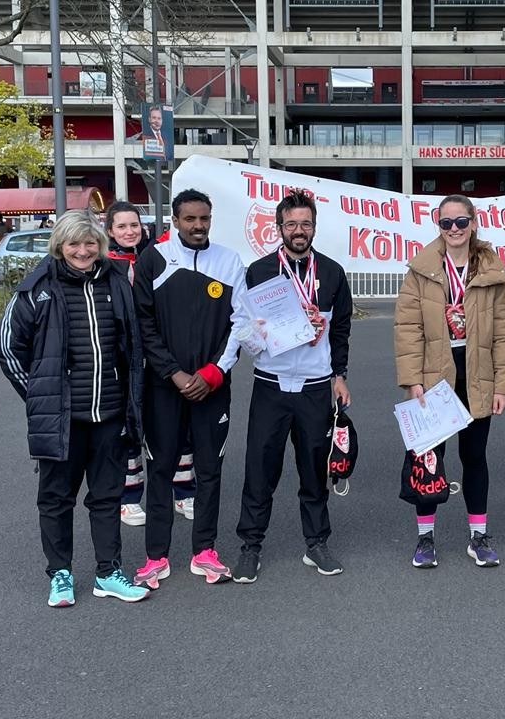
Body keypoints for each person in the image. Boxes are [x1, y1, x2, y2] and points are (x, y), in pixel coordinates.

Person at [0, 210, 149, 606]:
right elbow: (7, 347)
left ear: (100, 244)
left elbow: (132, 346)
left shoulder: (117, 281)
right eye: (74, 243)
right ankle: (60, 574)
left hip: (110, 415)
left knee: (108, 497)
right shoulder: (37, 288)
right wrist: (39, 395)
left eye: (90, 242)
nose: (82, 251)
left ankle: (108, 573)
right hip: (63, 420)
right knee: (56, 499)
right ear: (59, 246)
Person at [232, 190, 352, 581]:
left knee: (314, 470)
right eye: (291, 224)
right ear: (279, 227)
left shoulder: (332, 273)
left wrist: (339, 375)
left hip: (315, 387)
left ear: (313, 227)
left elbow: (341, 330)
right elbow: (243, 328)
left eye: (305, 224)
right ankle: (250, 547)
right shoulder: (260, 271)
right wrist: (260, 333)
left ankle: (316, 544)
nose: (298, 231)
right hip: (271, 384)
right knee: (259, 469)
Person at [394, 194, 505, 569]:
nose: (454, 229)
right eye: (446, 223)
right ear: (438, 225)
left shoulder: (491, 269)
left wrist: (503, 385)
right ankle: (425, 537)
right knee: (429, 458)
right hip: (433, 375)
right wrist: (412, 380)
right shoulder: (421, 269)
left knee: (474, 457)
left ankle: (478, 536)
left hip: (477, 373)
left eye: (461, 222)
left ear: (473, 223)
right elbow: (407, 329)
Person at [132, 189, 246, 587]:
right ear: (175, 221)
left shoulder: (230, 261)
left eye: (204, 219)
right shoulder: (153, 259)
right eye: (190, 219)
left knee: (209, 469)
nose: (198, 226)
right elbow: (143, 324)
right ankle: (155, 557)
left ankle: (205, 552)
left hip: (212, 387)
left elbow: (241, 323)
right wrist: (173, 373)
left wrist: (215, 371)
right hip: (165, 387)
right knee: (161, 468)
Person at [103, 201, 197, 527]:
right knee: (129, 429)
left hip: (160, 356)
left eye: (134, 225)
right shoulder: (105, 265)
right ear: (110, 230)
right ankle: (128, 499)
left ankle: (184, 491)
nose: (129, 231)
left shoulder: (159, 256)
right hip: (124, 360)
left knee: (177, 426)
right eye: (121, 226)